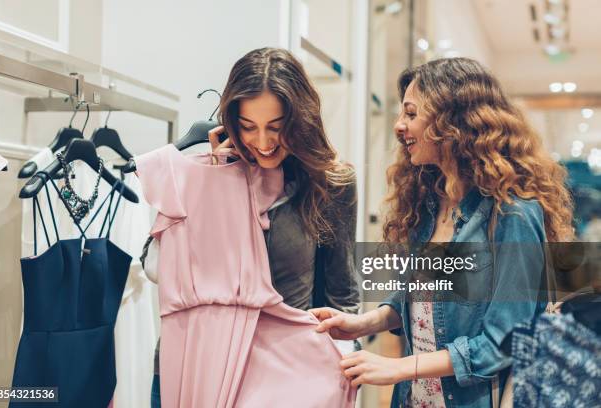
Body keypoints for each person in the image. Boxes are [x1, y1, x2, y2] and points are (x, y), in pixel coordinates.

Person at [311, 57, 574, 408]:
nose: (398, 125)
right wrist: (361, 324)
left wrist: (400, 367)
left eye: (411, 113)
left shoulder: (513, 214)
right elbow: (420, 302)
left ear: (452, 122)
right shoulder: (430, 204)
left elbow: (503, 342)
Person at [148, 47, 360, 406]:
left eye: (277, 128)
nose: (262, 143)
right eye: (248, 127)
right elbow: (156, 267)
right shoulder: (203, 172)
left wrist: (338, 376)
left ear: (300, 121)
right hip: (197, 363)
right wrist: (215, 181)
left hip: (285, 376)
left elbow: (342, 295)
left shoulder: (331, 183)